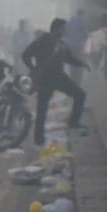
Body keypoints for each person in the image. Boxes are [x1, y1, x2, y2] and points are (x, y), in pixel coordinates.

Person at [22, 17, 89, 145]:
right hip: (45, 80)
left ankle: (73, 123)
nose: (65, 31)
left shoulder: (61, 44)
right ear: (57, 28)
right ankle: (39, 139)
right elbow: (26, 54)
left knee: (80, 95)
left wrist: (82, 64)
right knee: (42, 110)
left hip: (59, 78)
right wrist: (33, 68)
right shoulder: (43, 40)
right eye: (64, 28)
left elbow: (70, 58)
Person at [65, 9, 89, 81]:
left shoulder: (69, 21)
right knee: (78, 59)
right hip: (78, 45)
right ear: (82, 14)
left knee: (71, 59)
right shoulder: (81, 21)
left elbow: (65, 33)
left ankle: (72, 76)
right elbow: (85, 34)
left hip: (69, 45)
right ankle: (77, 78)